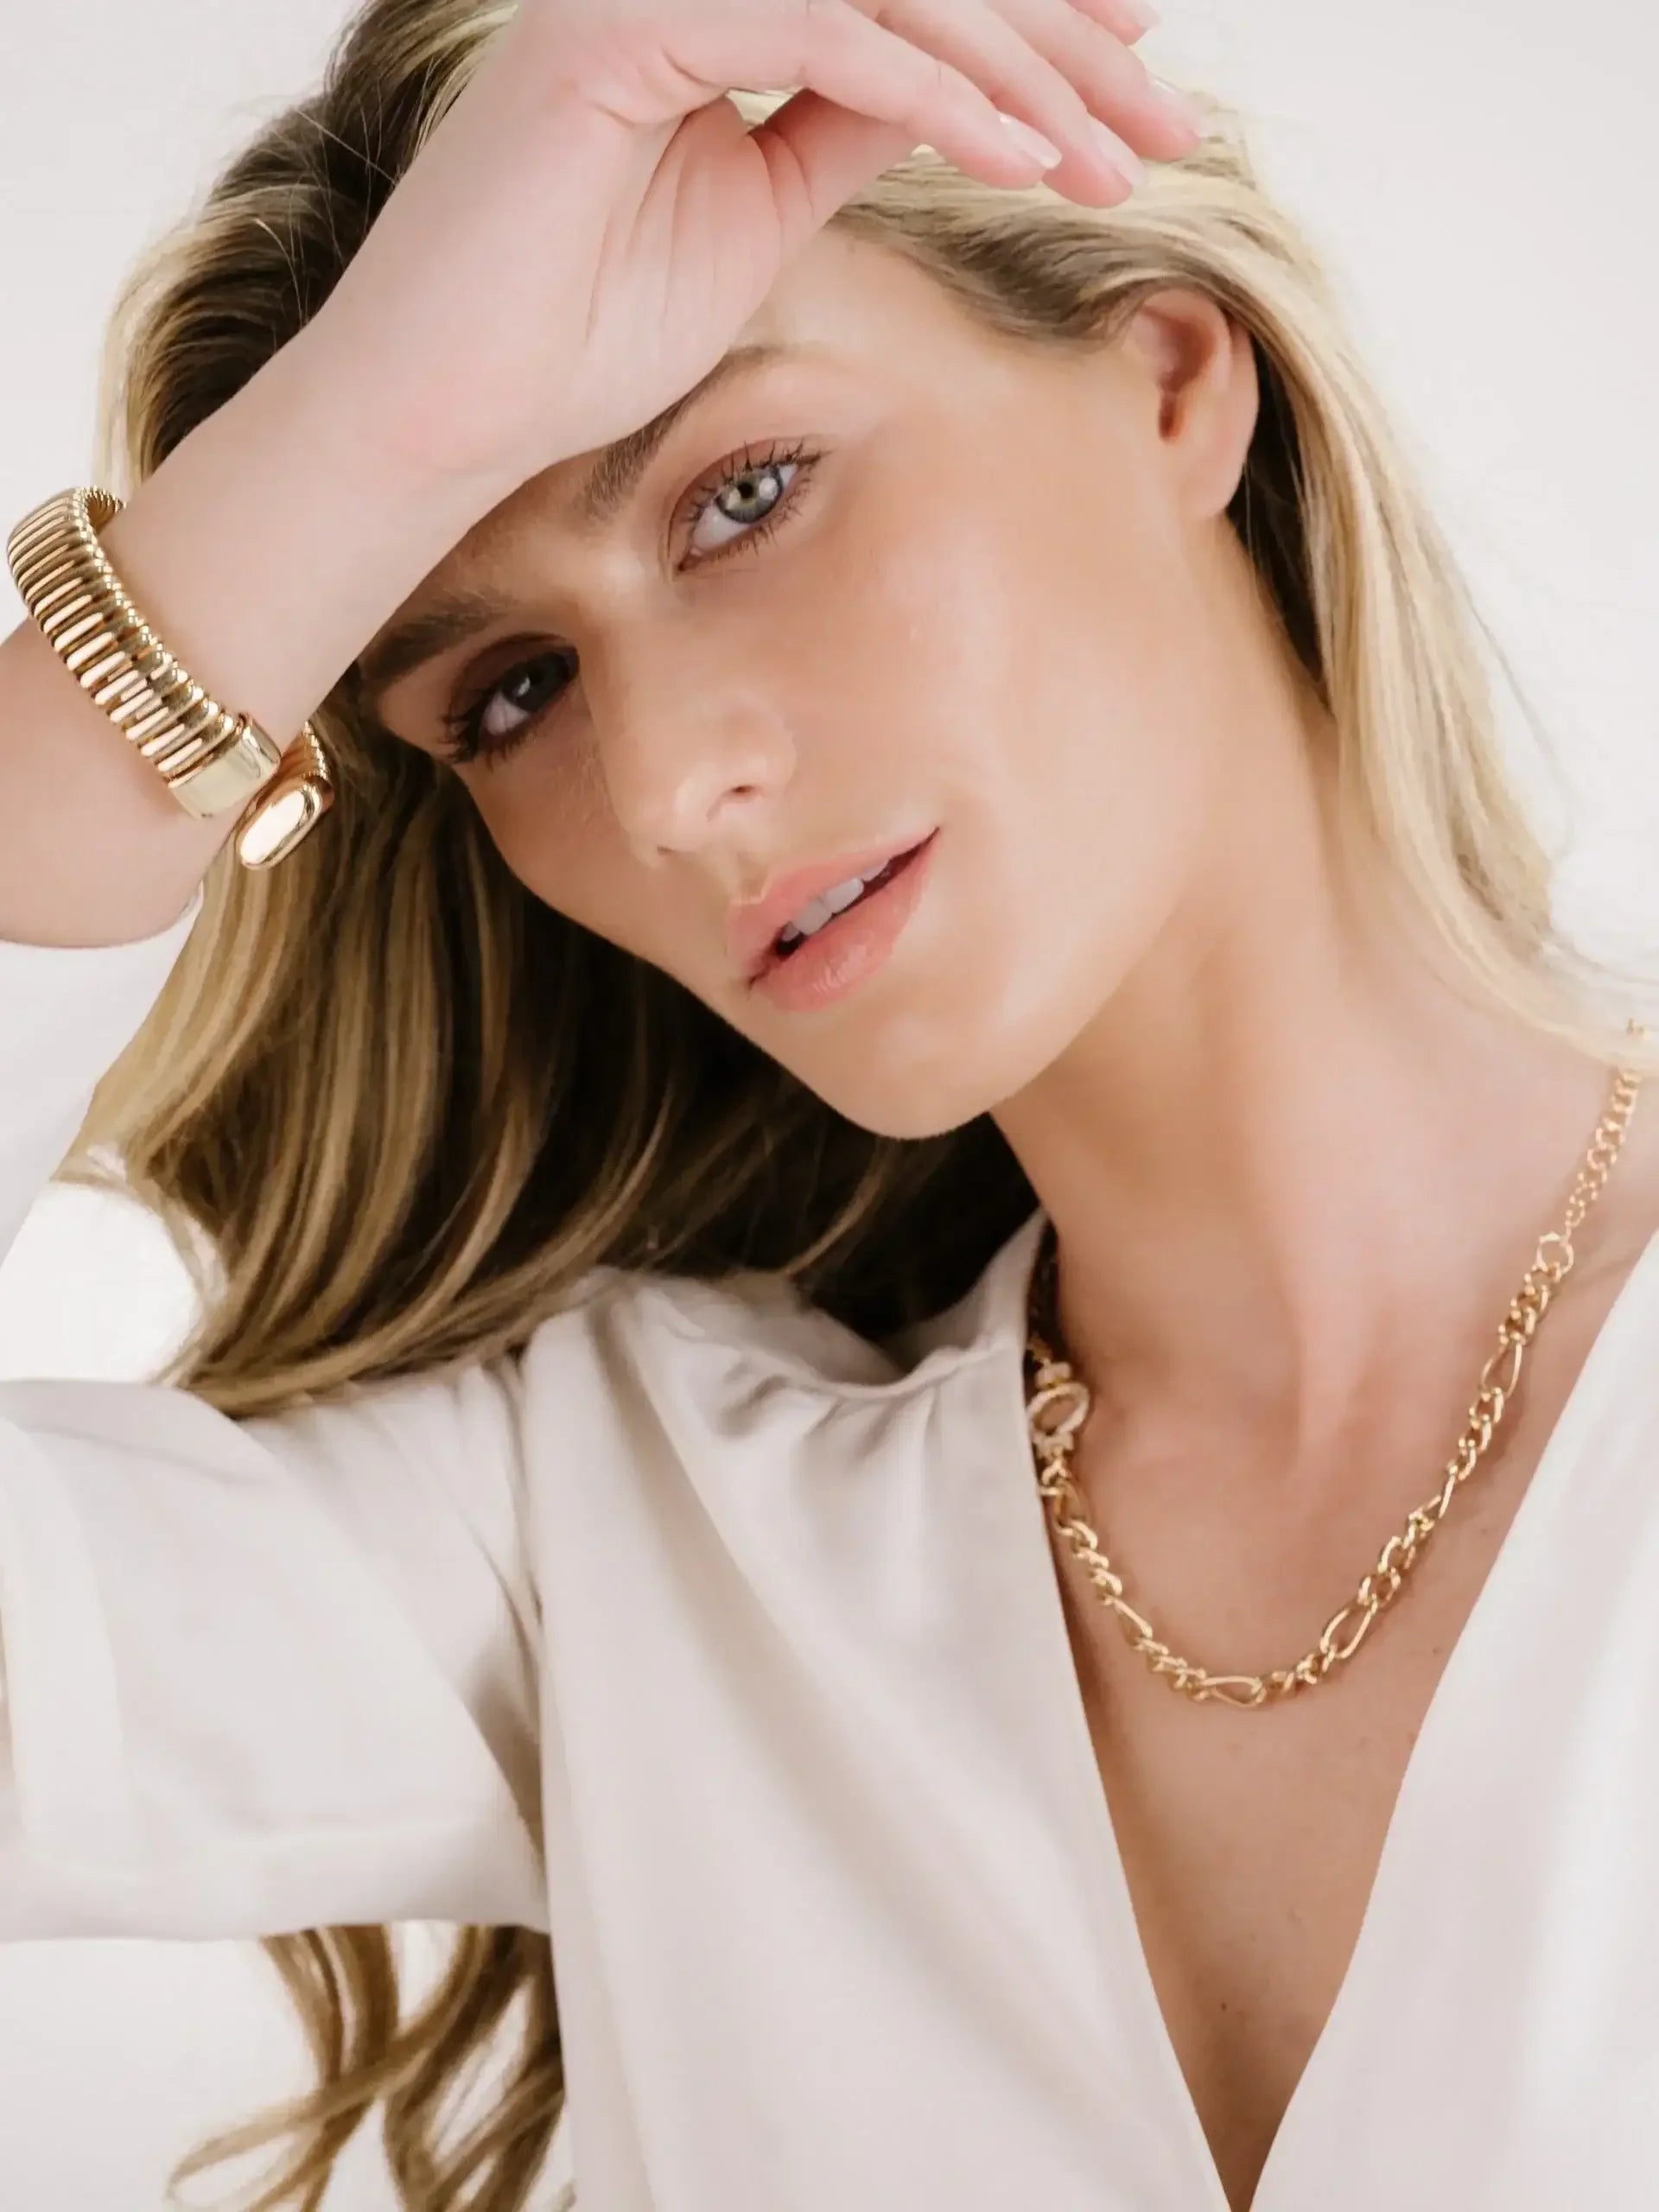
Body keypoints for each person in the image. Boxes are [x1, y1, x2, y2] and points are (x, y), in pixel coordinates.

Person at [1, 1, 1654, 2208]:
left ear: (1174, 376)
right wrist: (335, 461)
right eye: (511, 692)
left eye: (745, 492)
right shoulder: (632, 1544)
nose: (673, 788)